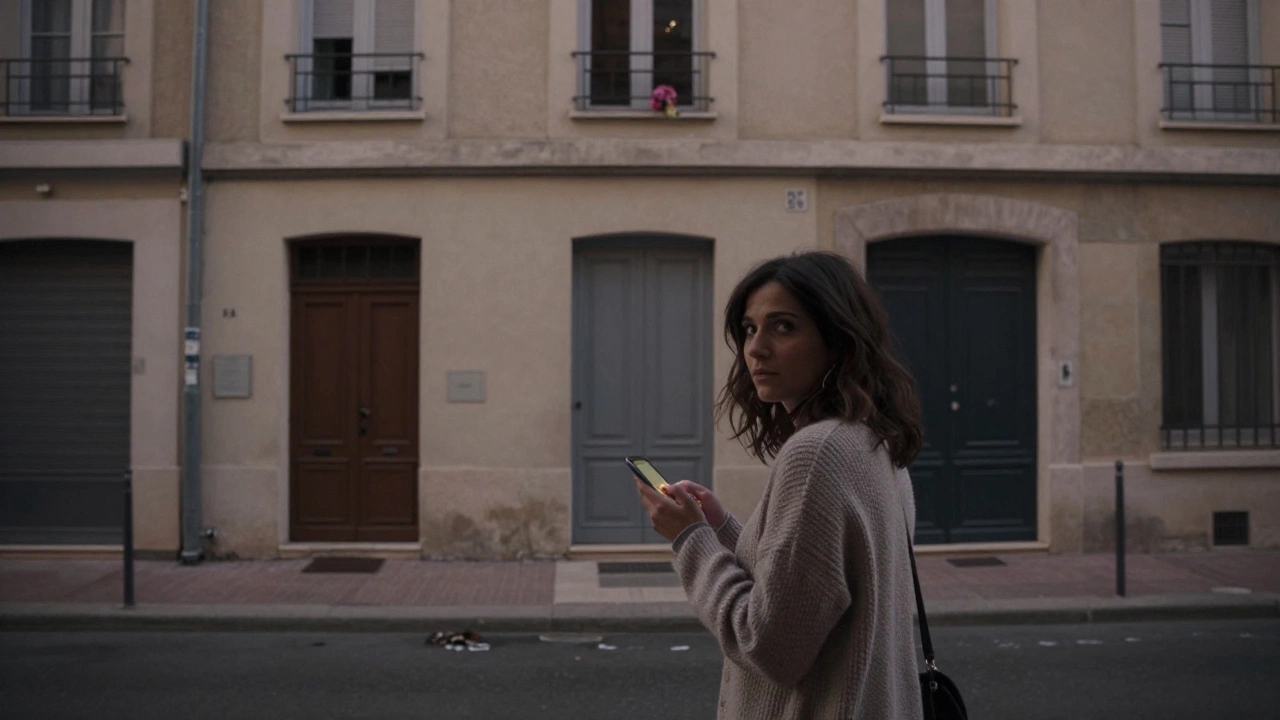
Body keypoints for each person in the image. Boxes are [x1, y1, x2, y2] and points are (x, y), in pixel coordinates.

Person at [635, 250, 925, 719]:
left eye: (784, 326)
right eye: (750, 329)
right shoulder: (872, 440)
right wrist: (720, 529)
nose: (756, 348)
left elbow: (767, 646)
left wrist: (690, 540)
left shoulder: (817, 453)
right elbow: (811, 586)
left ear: (838, 341)